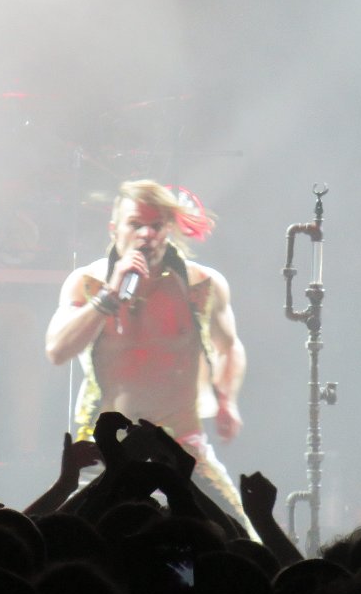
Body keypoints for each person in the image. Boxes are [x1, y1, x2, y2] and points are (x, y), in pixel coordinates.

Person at [45, 179, 249, 524]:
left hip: (181, 443)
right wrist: (109, 295)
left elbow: (229, 347)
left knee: (238, 535)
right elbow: (57, 349)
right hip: (106, 445)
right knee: (68, 533)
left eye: (156, 225)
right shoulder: (88, 282)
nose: (146, 235)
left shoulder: (201, 284)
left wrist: (227, 400)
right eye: (136, 224)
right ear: (115, 229)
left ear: (169, 230)